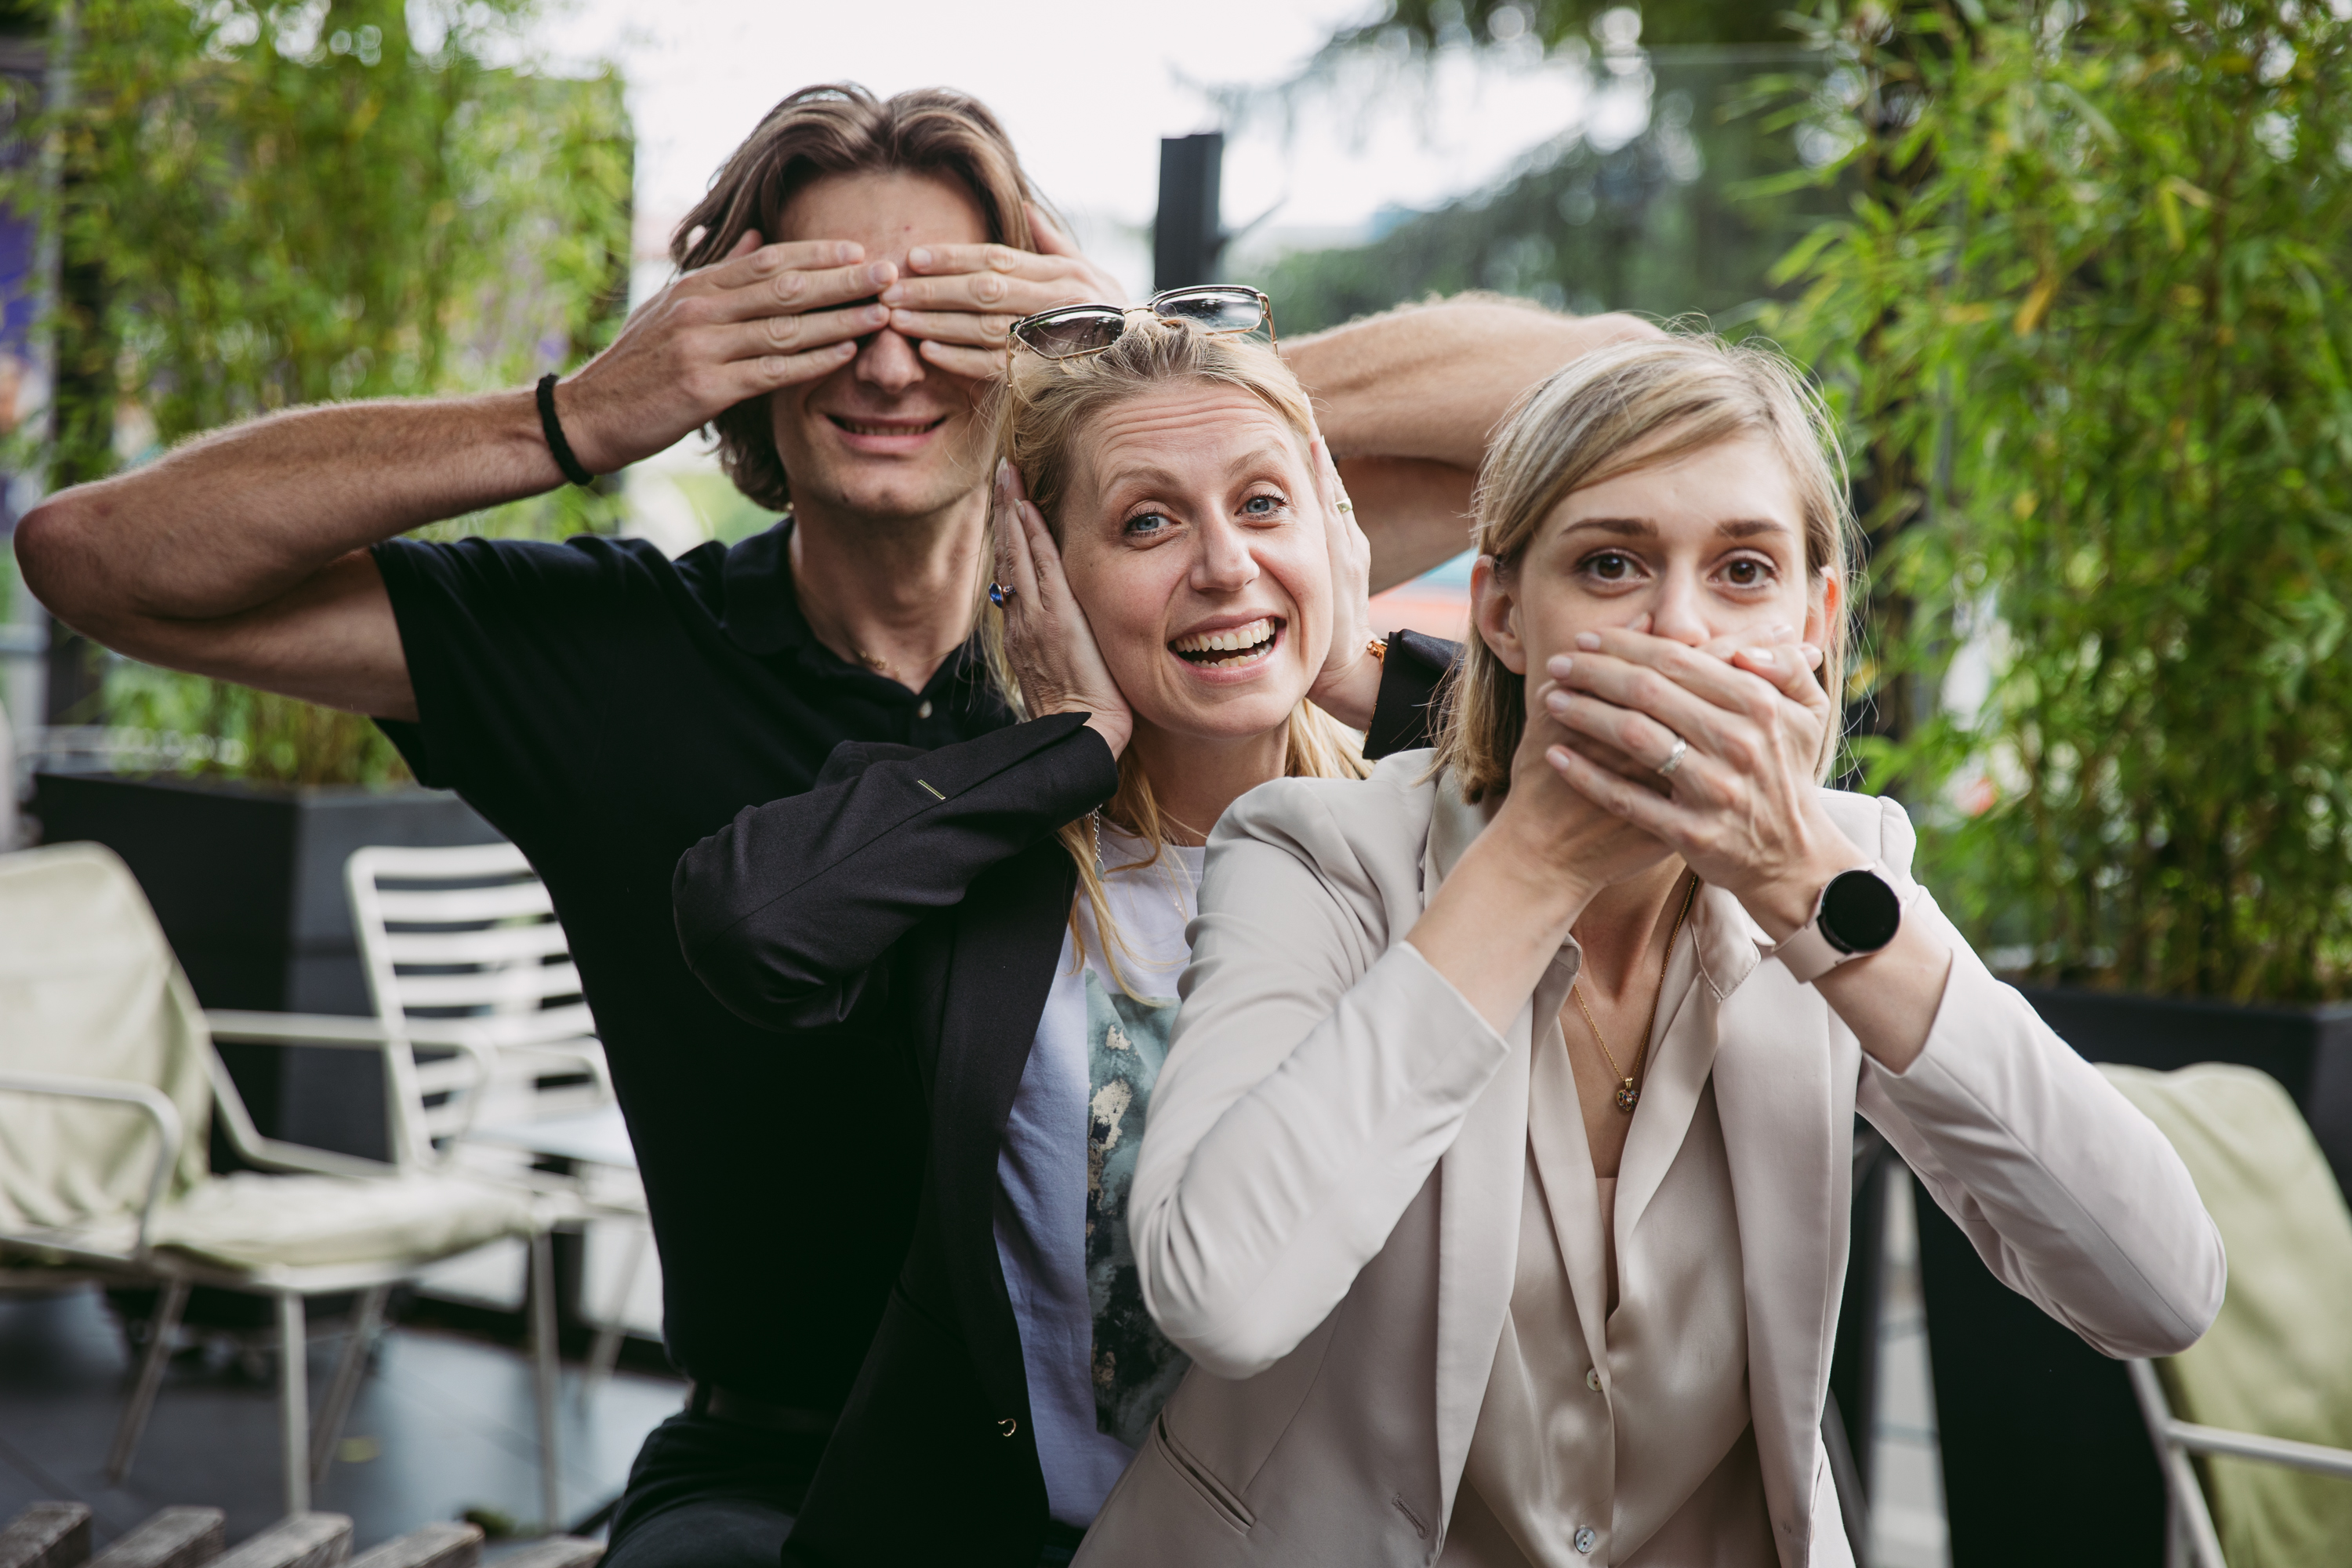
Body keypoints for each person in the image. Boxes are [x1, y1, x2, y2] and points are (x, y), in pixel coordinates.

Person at [11, 83, 1657, 1566]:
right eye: (811, 311)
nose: (882, 360)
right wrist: (583, 412)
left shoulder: (1172, 607)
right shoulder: (614, 650)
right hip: (786, 1466)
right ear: (723, 339)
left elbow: (1625, 395)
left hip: (1242, 1453)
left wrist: (1135, 360)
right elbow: (98, 558)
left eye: (940, 309)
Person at [1082, 335, 2227, 1566]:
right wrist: (1538, 863)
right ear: (1504, 614)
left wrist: (1805, 885)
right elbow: (1220, 1295)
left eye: (1743, 570)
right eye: (1612, 564)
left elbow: (2157, 1287)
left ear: (1817, 619)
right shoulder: (1317, 855)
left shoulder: (1848, 873)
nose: (1678, 630)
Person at [671, 303, 1469, 1565]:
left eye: (1266, 507)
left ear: (1337, 534)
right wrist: (1068, 748)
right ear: (1035, 568)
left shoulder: (1449, 842)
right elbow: (751, 923)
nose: (1221, 565)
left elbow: (1675, 805)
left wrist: (1354, 667)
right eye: (1149, 521)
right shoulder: (992, 865)